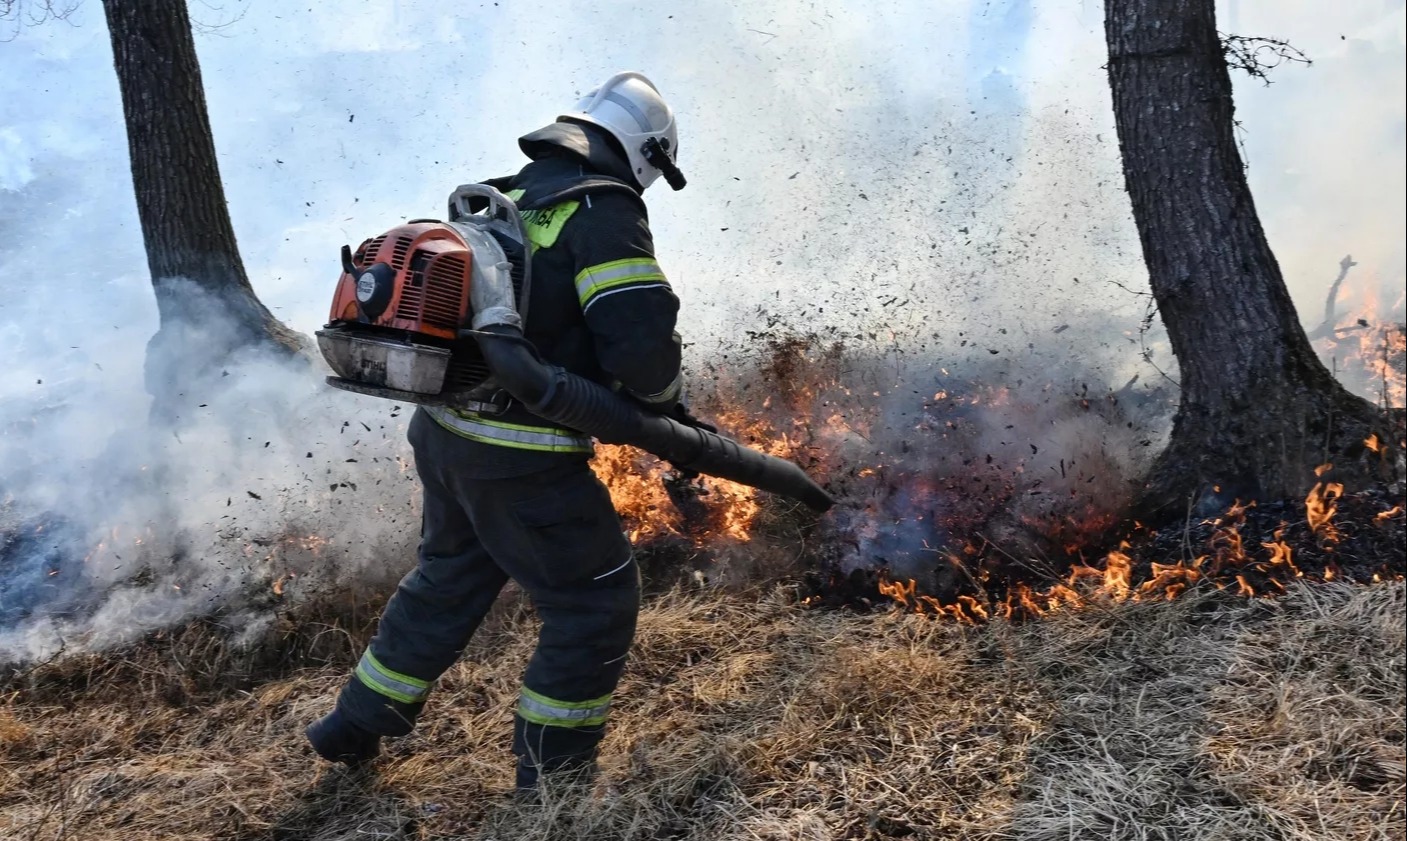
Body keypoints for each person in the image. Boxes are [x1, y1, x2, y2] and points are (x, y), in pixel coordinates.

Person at [306, 71, 688, 793]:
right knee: (593, 602)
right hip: (523, 454)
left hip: (446, 433)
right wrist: (667, 401)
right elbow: (638, 343)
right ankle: (553, 784)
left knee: (447, 581)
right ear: (644, 153)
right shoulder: (602, 210)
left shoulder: (505, 192)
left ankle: (352, 723)